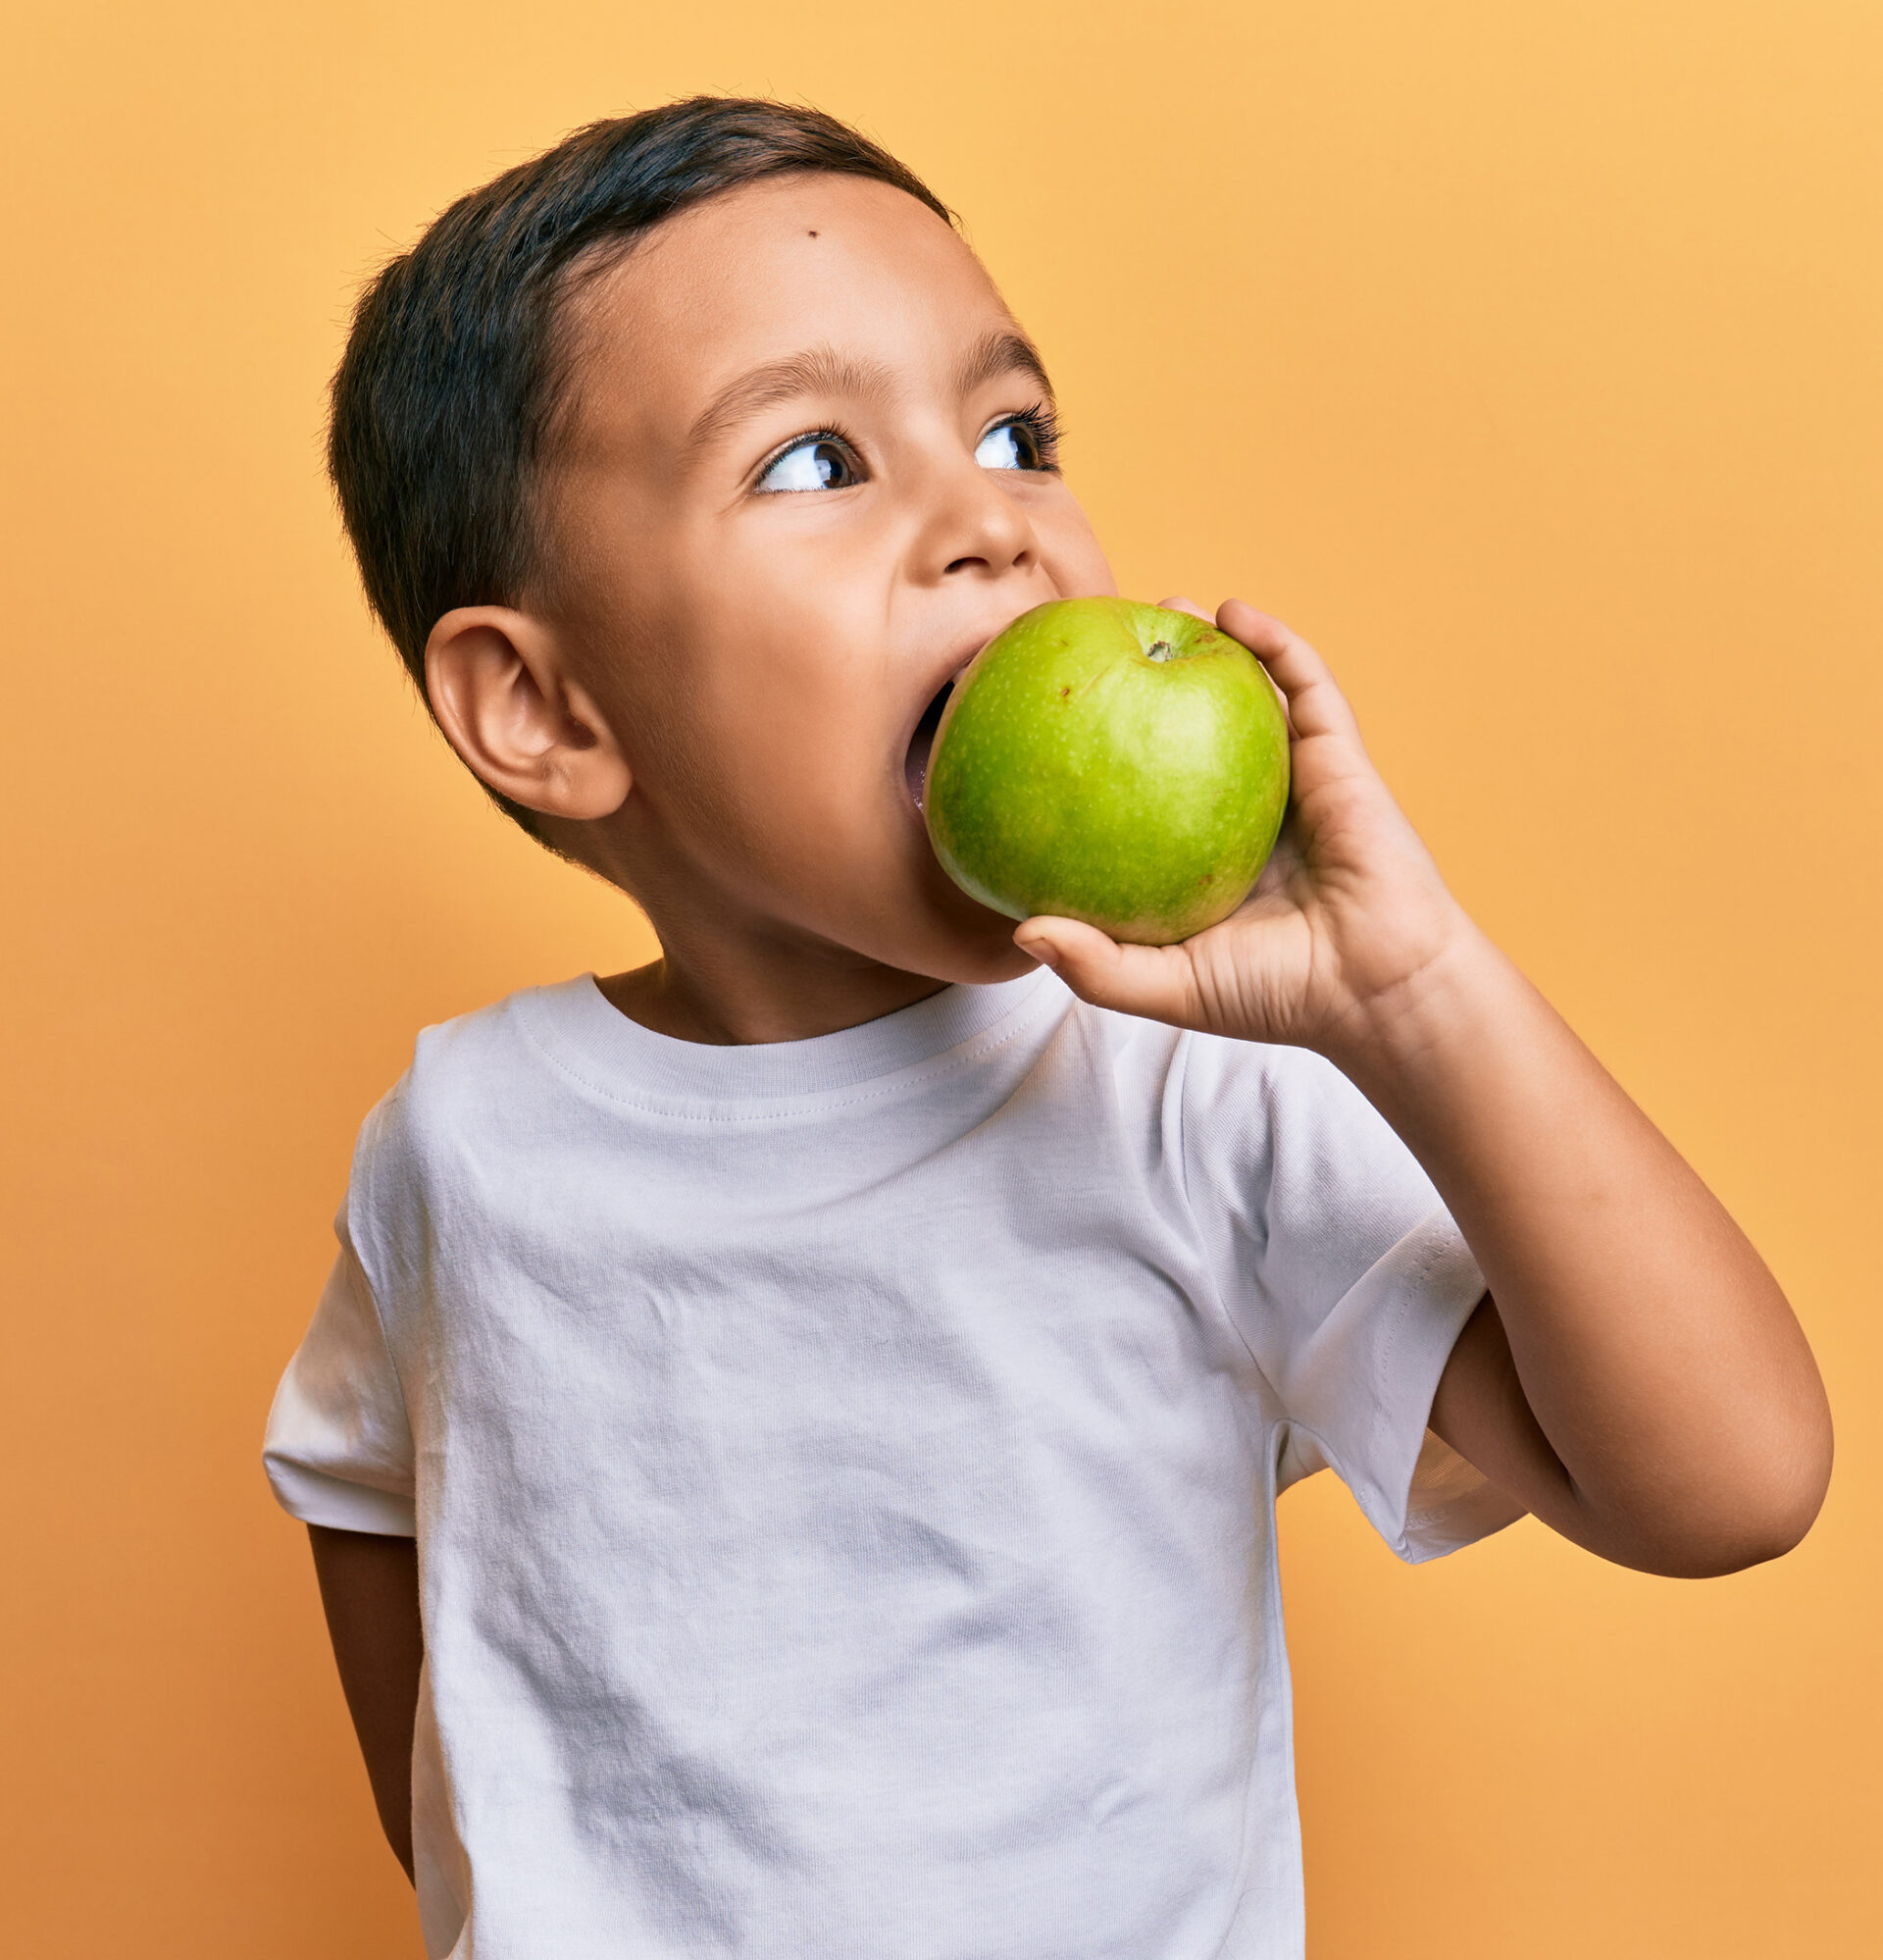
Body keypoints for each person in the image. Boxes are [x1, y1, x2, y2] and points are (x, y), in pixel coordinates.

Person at [266, 98, 1831, 1960]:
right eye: (812, 461)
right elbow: (367, 1490)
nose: (989, 521)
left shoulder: (1183, 1099)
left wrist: (1411, 996)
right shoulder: (469, 1138)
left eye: (1016, 434)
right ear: (545, 709)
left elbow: (1728, 1483)